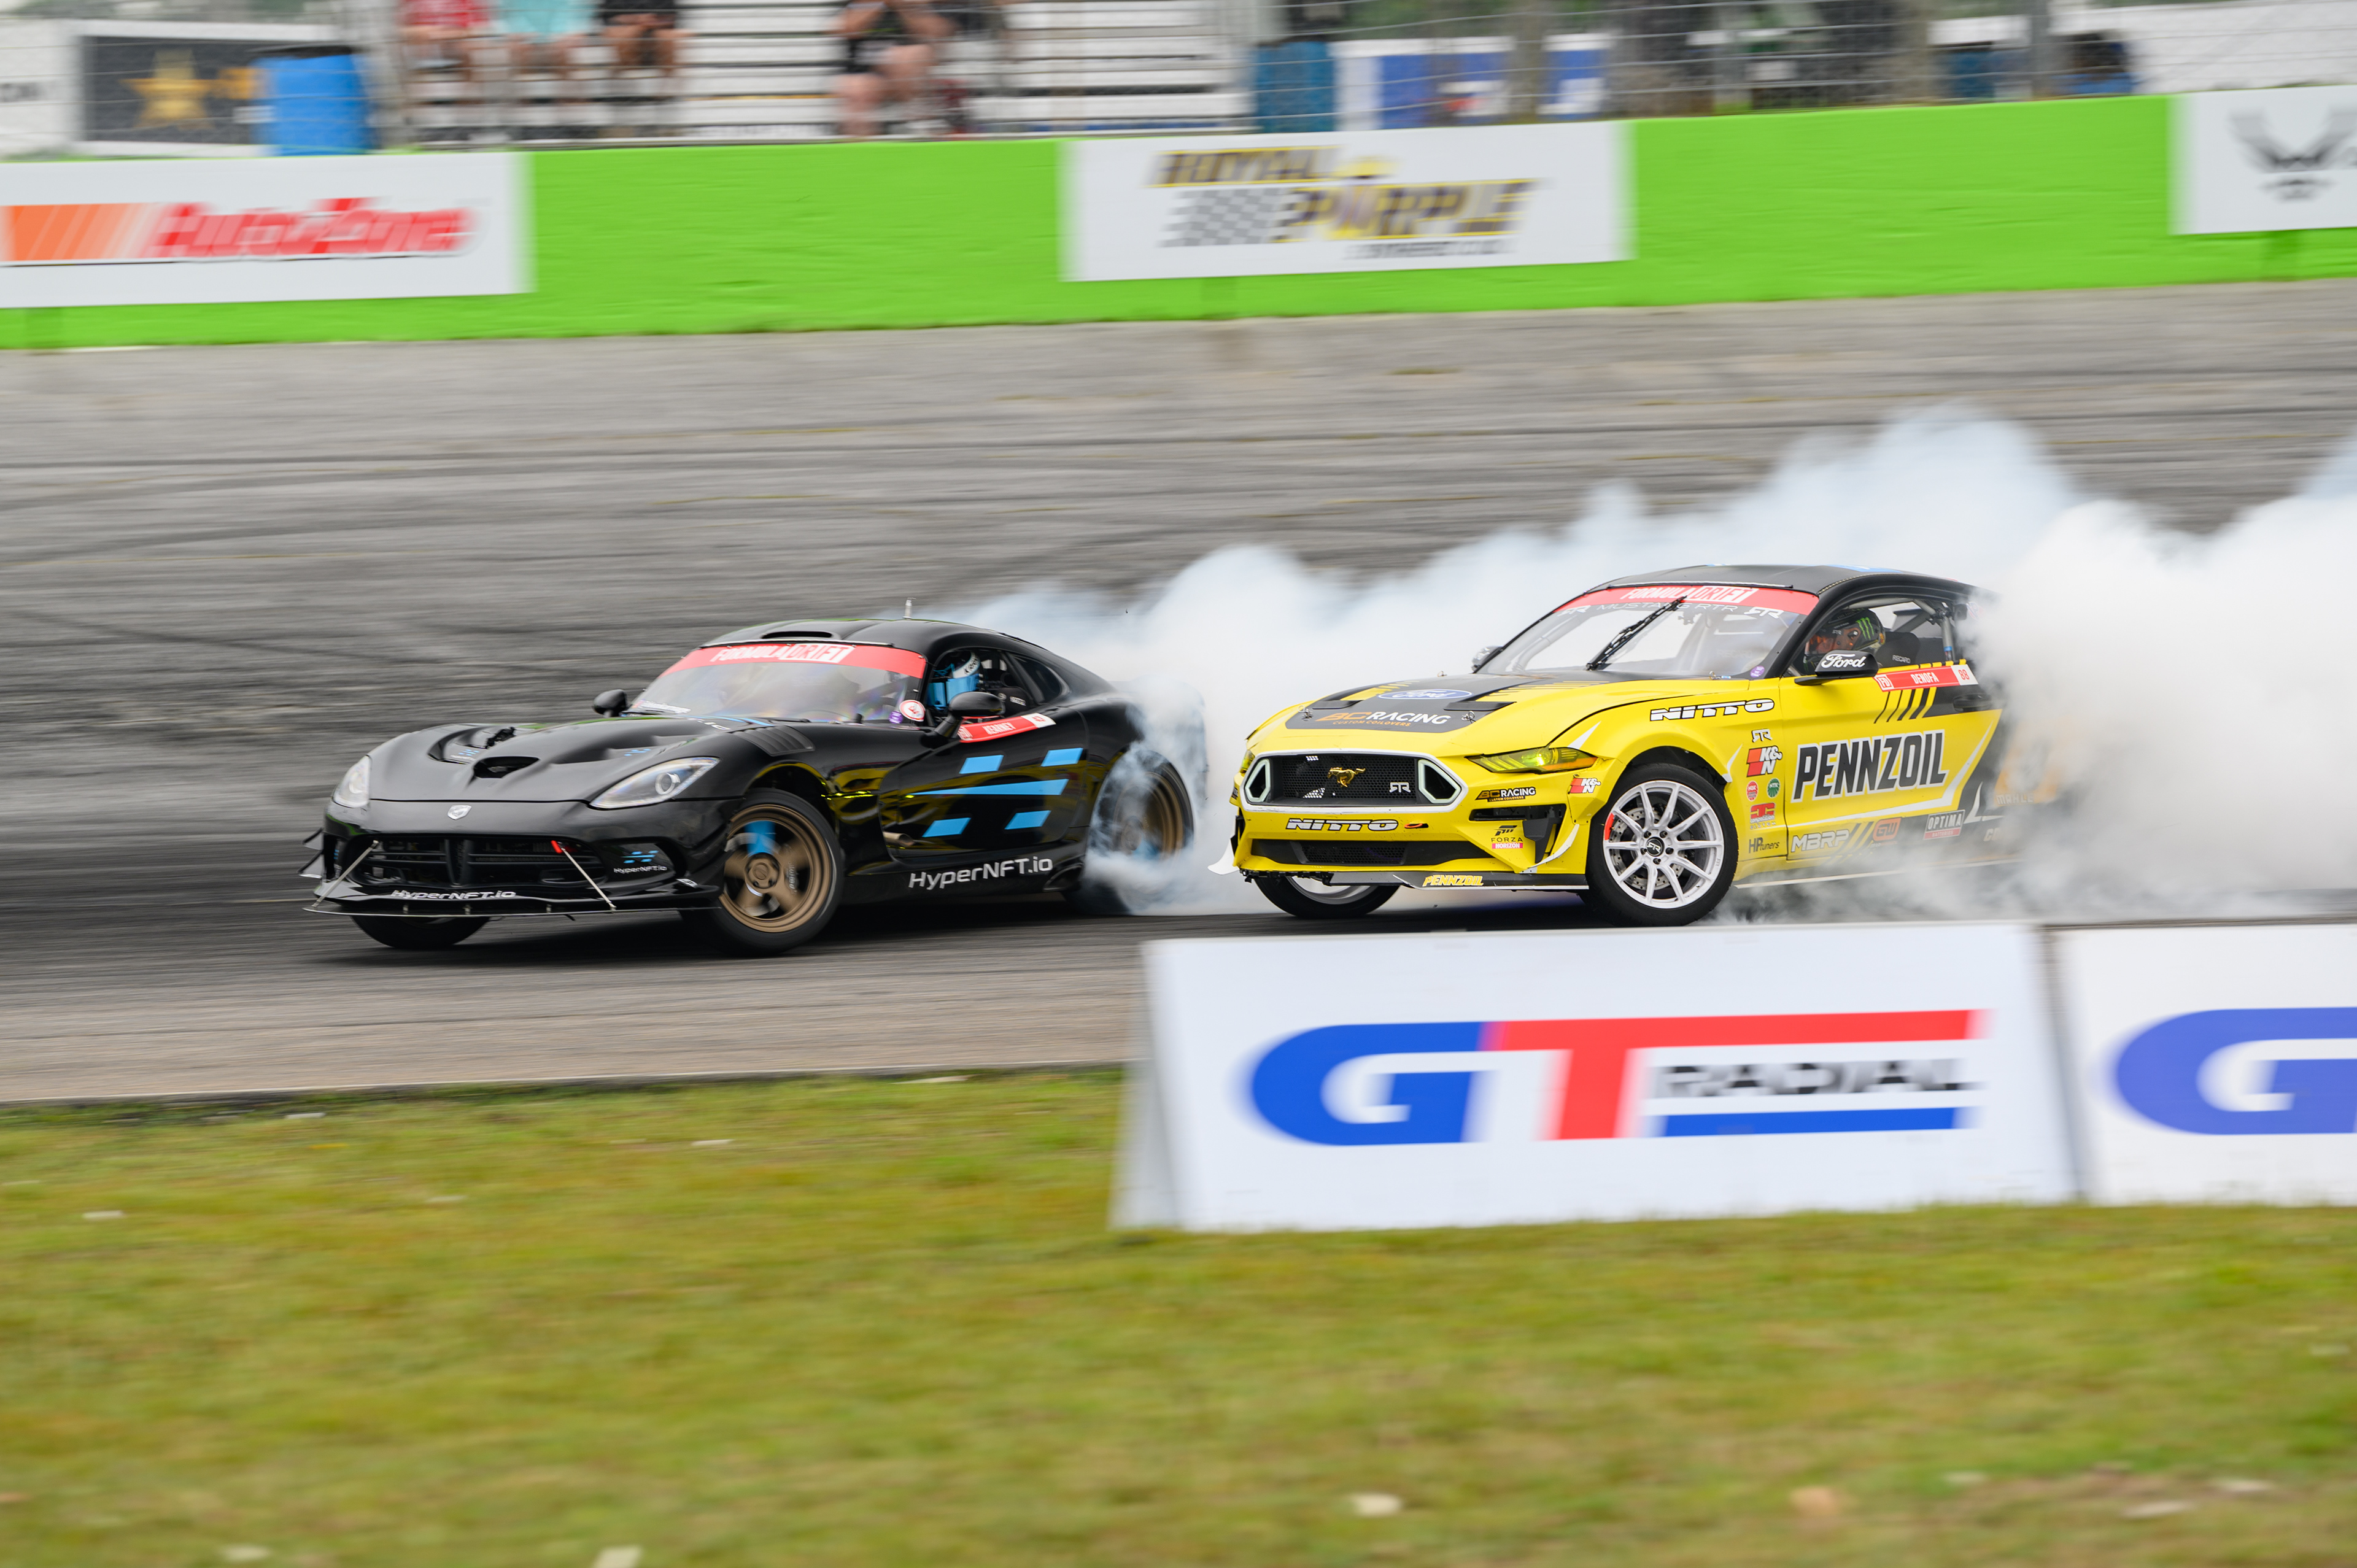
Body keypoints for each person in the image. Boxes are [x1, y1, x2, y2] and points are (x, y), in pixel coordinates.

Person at [835, 0, 950, 138]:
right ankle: (861, 146)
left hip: (907, 73)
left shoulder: (912, 4)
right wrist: (881, 4)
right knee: (856, 88)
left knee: (908, 56)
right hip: (867, 73)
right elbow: (847, 28)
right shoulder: (860, 4)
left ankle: (918, 121)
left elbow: (937, 33)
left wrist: (904, 8)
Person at [496, 0, 593, 134]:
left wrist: (561, 37)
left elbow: (576, 14)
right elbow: (507, 15)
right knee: (517, 53)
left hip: (559, 41)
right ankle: (521, 122)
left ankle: (573, 119)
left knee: (563, 54)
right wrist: (525, 34)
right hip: (526, 42)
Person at [602, 0, 686, 103]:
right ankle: (626, 86)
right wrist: (636, 20)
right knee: (624, 35)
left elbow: (672, 16)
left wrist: (653, 21)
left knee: (667, 37)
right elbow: (609, 17)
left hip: (657, 29)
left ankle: (667, 90)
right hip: (626, 28)